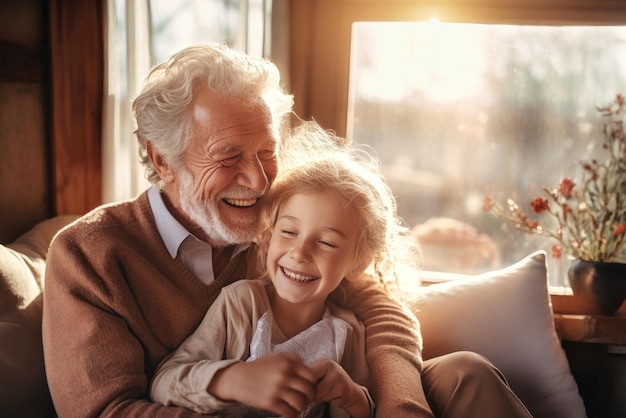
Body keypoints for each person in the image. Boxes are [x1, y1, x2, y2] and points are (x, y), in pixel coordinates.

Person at [42, 42, 532, 418]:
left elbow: (380, 304)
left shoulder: (282, 224)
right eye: (229, 156)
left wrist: (392, 406)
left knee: (466, 374)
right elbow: (108, 411)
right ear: (160, 158)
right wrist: (237, 386)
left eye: (266, 152)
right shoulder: (91, 254)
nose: (258, 181)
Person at [149, 122, 417, 418]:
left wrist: (351, 396)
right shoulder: (240, 303)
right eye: (289, 232)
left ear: (358, 264)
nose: (300, 253)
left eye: (327, 243)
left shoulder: (349, 332)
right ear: (269, 237)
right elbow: (164, 382)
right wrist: (232, 380)